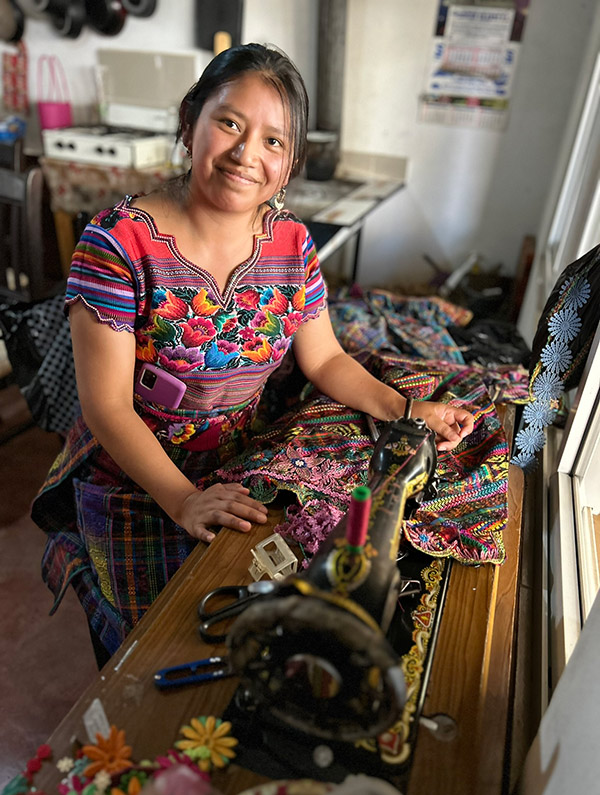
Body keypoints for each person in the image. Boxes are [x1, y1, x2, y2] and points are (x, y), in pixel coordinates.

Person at [32, 43, 474, 667]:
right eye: (230, 123)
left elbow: (325, 361)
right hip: (133, 479)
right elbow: (105, 408)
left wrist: (410, 409)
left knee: (251, 634)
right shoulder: (118, 244)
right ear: (191, 121)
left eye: (274, 140)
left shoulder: (292, 245)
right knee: (152, 655)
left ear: (290, 162)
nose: (247, 155)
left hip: (242, 461)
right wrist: (182, 498)